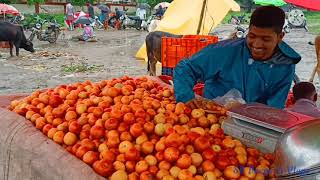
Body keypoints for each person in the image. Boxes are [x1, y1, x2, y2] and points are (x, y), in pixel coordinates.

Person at [173, 6, 301, 109]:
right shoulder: (225, 51)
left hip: (252, 126)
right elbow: (186, 67)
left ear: (280, 37)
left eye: (265, 39)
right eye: (252, 36)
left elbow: (275, 107)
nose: (256, 44)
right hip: (213, 119)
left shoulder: (286, 64)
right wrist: (185, 95)